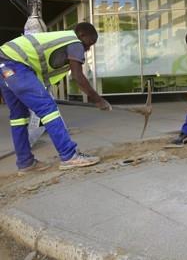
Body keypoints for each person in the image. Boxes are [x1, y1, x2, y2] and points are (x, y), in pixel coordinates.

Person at [0, 23, 111, 175]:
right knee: (48, 109)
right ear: (82, 36)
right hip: (16, 65)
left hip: (4, 64)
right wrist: (98, 99)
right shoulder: (74, 42)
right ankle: (69, 155)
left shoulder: (62, 40)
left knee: (18, 117)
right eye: (89, 44)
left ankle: (25, 163)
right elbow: (78, 76)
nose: (87, 49)